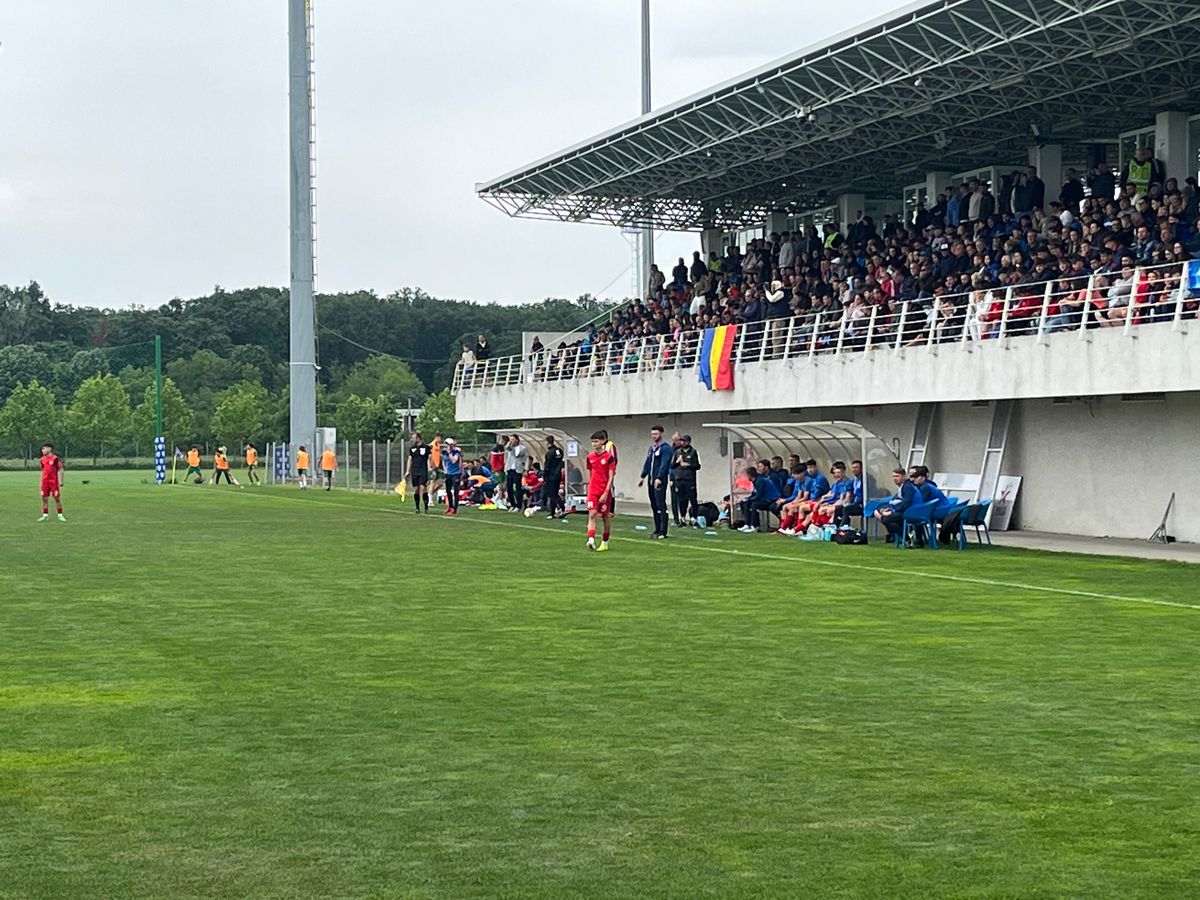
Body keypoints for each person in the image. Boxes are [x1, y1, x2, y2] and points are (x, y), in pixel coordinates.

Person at [638, 424, 673, 539]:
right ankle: (657, 529)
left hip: (660, 480)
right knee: (654, 505)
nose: (654, 436)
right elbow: (648, 463)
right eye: (652, 434)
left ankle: (663, 531)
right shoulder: (652, 448)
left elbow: (664, 464)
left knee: (660, 504)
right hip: (651, 480)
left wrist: (659, 477)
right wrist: (643, 476)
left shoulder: (665, 448)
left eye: (656, 434)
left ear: (661, 434)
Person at [585, 430, 617, 551]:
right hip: (593, 490)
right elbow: (590, 473)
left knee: (605, 517)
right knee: (592, 514)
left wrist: (606, 492)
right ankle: (591, 540)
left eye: (596, 441)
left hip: (604, 490)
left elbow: (611, 476)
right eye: (592, 442)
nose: (594, 444)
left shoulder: (609, 458)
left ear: (603, 441)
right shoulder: (590, 457)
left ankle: (605, 542)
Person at [876, 468, 918, 543]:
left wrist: (892, 511)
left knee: (886, 519)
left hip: (913, 512)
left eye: (897, 476)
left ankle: (906, 538)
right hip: (906, 511)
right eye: (893, 476)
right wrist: (888, 509)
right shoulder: (902, 486)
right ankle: (906, 537)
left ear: (904, 476)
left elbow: (906, 503)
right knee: (885, 517)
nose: (894, 478)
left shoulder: (908, 487)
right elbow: (895, 501)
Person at [737, 462, 781, 533]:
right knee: (743, 503)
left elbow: (759, 495)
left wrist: (748, 500)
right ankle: (747, 524)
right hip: (764, 499)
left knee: (754, 504)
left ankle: (755, 526)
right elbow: (754, 493)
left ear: (749, 475)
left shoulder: (760, 481)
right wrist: (747, 499)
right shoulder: (755, 481)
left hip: (771, 499)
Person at [671, 433, 701, 526]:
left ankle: (694, 519)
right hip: (679, 479)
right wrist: (677, 462)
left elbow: (698, 466)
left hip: (689, 479)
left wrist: (688, 465)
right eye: (681, 441)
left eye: (684, 441)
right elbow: (672, 466)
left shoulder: (693, 452)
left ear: (688, 442)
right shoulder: (677, 452)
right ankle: (682, 519)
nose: (682, 442)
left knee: (692, 499)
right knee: (681, 500)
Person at [37, 442, 65, 522]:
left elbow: (61, 469)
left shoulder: (55, 458)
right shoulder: (42, 459)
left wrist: (61, 481)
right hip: (45, 482)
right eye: (42, 449)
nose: (42, 450)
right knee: (44, 498)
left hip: (53, 482)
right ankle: (45, 515)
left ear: (49, 449)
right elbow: (43, 469)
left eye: (44, 449)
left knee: (57, 498)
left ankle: (60, 515)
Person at [405, 431, 432, 513]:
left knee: (423, 488)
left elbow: (429, 459)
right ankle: (417, 507)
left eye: (413, 438)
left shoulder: (426, 447)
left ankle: (426, 507)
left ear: (418, 438)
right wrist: (407, 471)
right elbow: (410, 459)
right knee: (416, 489)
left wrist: (429, 469)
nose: (412, 439)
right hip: (415, 471)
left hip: (423, 470)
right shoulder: (412, 449)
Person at [540, 435, 565, 519]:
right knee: (555, 493)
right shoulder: (559, 451)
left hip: (551, 476)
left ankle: (553, 512)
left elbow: (547, 466)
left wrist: (545, 476)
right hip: (558, 475)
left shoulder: (549, 453)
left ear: (547, 442)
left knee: (552, 494)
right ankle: (562, 508)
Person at [504, 434, 528, 511]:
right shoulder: (510, 448)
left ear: (517, 440)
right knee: (509, 487)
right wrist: (509, 443)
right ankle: (512, 504)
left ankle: (519, 505)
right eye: (511, 439)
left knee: (518, 488)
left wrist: (526, 469)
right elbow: (507, 447)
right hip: (510, 469)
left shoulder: (523, 448)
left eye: (513, 439)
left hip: (518, 469)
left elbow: (526, 458)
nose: (512, 441)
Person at [442, 438, 463, 516]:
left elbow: (454, 460)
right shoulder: (444, 452)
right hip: (448, 474)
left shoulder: (456, 452)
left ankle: (455, 508)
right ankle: (450, 506)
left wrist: (450, 453)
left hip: (455, 473)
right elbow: (443, 461)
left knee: (456, 491)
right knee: (448, 490)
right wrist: (445, 470)